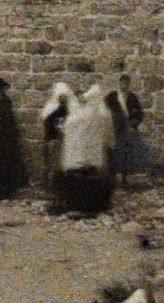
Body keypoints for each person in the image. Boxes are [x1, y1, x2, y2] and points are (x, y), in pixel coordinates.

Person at [56, 83, 117, 215]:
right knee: (88, 176)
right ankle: (90, 204)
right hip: (86, 154)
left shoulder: (88, 114)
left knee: (83, 177)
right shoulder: (97, 114)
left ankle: (80, 203)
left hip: (83, 154)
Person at [113, 73, 149, 184]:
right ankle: (115, 175)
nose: (124, 85)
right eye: (122, 83)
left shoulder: (132, 97)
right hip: (117, 128)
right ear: (119, 83)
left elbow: (140, 112)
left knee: (128, 152)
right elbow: (106, 109)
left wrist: (134, 124)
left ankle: (125, 176)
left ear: (128, 85)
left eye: (126, 83)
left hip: (128, 128)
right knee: (117, 151)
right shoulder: (113, 96)